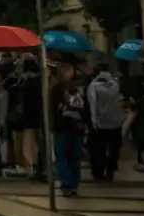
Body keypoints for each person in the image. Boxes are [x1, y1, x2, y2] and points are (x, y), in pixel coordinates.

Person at [50, 63, 86, 197]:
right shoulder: (58, 89)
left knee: (69, 157)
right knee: (67, 156)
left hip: (71, 126)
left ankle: (70, 183)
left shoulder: (75, 88)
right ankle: (69, 183)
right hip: (66, 126)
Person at [87, 63, 124, 181]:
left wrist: (93, 123)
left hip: (101, 122)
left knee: (98, 148)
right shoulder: (115, 84)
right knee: (114, 147)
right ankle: (110, 169)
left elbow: (92, 104)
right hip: (116, 121)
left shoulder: (93, 86)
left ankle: (99, 172)